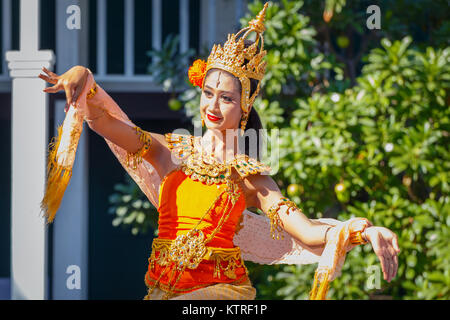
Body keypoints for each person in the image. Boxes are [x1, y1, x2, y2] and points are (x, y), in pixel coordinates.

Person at [39, 3, 399, 300]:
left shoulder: (250, 176)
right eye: (208, 92)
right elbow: (105, 123)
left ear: (243, 107)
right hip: (160, 292)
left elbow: (306, 232)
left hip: (219, 296)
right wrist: (82, 75)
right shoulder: (169, 150)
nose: (213, 104)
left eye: (226, 97)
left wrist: (364, 231)